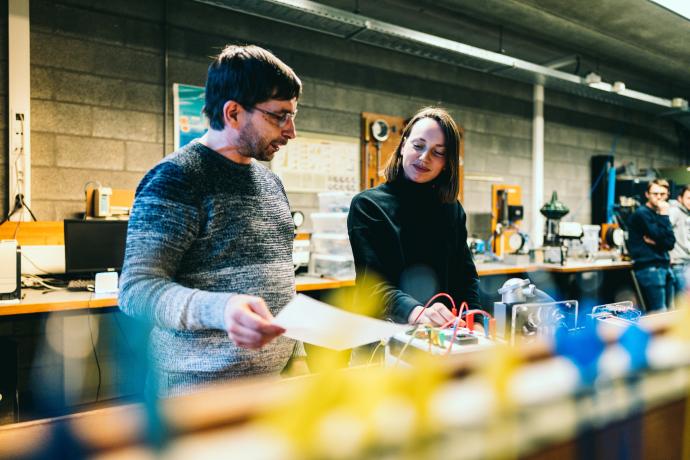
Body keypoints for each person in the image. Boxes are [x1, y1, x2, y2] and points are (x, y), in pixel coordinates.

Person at [119, 44, 305, 396]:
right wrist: (222, 310)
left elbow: (280, 284)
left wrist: (298, 357)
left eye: (293, 115)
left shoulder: (271, 183)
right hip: (196, 391)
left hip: (271, 386)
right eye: (279, 116)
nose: (291, 131)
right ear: (233, 113)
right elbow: (136, 290)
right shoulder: (175, 179)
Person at [348, 107, 481, 327]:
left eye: (438, 152)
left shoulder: (452, 209)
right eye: (418, 146)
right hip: (382, 336)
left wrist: (474, 321)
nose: (424, 157)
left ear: (447, 162)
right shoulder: (368, 205)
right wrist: (417, 313)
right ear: (402, 146)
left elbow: (466, 277)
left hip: (441, 336)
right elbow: (372, 285)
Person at [627, 179, 676, 312]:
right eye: (655, 193)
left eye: (663, 194)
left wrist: (659, 241)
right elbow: (660, 236)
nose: (659, 197)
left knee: (670, 312)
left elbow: (670, 242)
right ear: (647, 194)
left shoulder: (658, 213)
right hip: (650, 268)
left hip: (664, 265)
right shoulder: (642, 213)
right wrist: (664, 216)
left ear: (667, 195)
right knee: (660, 312)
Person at [669, 185, 690, 295]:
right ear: (680, 198)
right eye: (689, 198)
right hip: (679, 264)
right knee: (683, 302)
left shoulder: (687, 213)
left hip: (687, 262)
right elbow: (664, 234)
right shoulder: (675, 212)